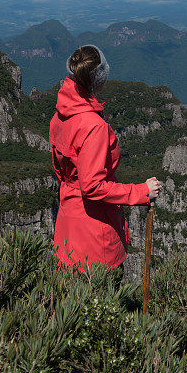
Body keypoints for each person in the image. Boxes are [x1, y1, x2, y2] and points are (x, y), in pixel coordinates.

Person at [49, 43, 162, 280]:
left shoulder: (60, 114)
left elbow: (63, 170)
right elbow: (92, 186)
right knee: (102, 306)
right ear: (99, 79)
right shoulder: (93, 127)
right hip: (94, 237)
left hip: (68, 225)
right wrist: (142, 192)